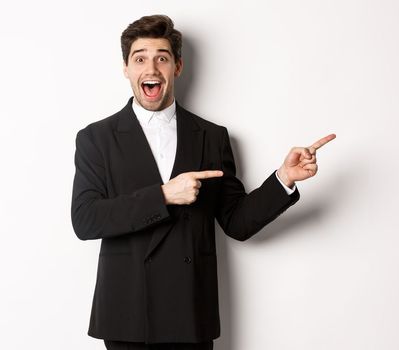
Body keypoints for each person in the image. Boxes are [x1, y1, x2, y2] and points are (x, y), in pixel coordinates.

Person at [71, 14, 335, 350]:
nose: (151, 69)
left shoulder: (211, 137)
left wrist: (283, 178)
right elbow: (85, 219)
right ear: (126, 68)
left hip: (190, 313)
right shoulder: (96, 139)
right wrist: (165, 195)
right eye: (140, 59)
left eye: (161, 58)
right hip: (128, 314)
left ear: (177, 67)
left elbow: (237, 222)